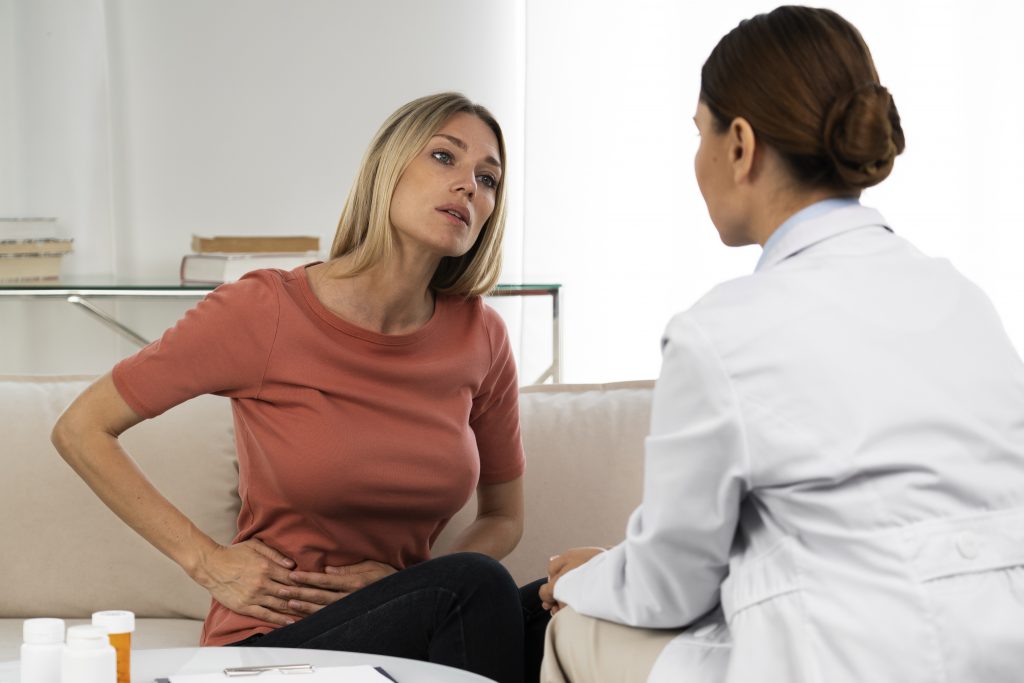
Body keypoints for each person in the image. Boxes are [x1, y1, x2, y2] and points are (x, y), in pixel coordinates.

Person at [539, 6, 1024, 682]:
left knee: (575, 626)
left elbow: (668, 586)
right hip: (1000, 658)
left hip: (845, 665)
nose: (697, 159)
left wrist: (584, 576)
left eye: (700, 133)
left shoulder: (721, 330)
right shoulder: (964, 300)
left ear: (740, 144)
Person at [52, 92, 548, 683]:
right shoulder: (265, 310)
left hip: (416, 628)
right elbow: (81, 428)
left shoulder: (481, 336)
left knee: (561, 602)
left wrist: (413, 583)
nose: (469, 186)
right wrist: (206, 562)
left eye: (488, 179)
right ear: (386, 169)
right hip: (275, 643)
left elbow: (503, 517)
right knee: (476, 584)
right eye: (445, 157)